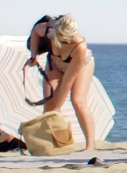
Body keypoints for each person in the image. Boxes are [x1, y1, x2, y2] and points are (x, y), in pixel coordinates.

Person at [42, 15, 103, 152]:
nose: (68, 40)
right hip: (55, 64)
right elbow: (35, 31)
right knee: (49, 103)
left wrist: (58, 108)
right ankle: (51, 144)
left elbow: (68, 80)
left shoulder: (79, 46)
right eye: (64, 38)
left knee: (78, 101)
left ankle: (90, 145)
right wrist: (34, 53)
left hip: (81, 65)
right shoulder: (48, 32)